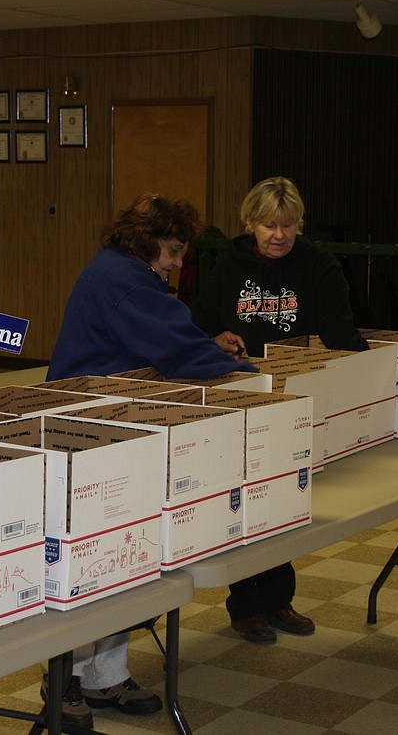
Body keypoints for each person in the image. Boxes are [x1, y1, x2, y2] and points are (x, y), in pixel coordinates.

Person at [47, 192, 257, 727]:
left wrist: (206, 346)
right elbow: (176, 347)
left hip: (111, 422)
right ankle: (62, 681)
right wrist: (244, 377)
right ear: (145, 245)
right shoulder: (125, 282)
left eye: (181, 253)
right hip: (88, 430)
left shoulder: (124, 274)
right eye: (171, 250)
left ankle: (105, 676)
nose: (176, 263)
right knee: (91, 561)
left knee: (124, 558)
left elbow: (166, 338)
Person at [192, 175, 368, 645]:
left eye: (288, 226)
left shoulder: (319, 265)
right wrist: (216, 339)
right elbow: (201, 325)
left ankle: (277, 599)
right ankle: (246, 605)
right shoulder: (228, 269)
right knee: (248, 500)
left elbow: (340, 332)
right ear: (250, 223)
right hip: (242, 399)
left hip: (298, 399)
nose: (279, 236)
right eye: (269, 225)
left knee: (286, 501)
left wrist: (369, 377)